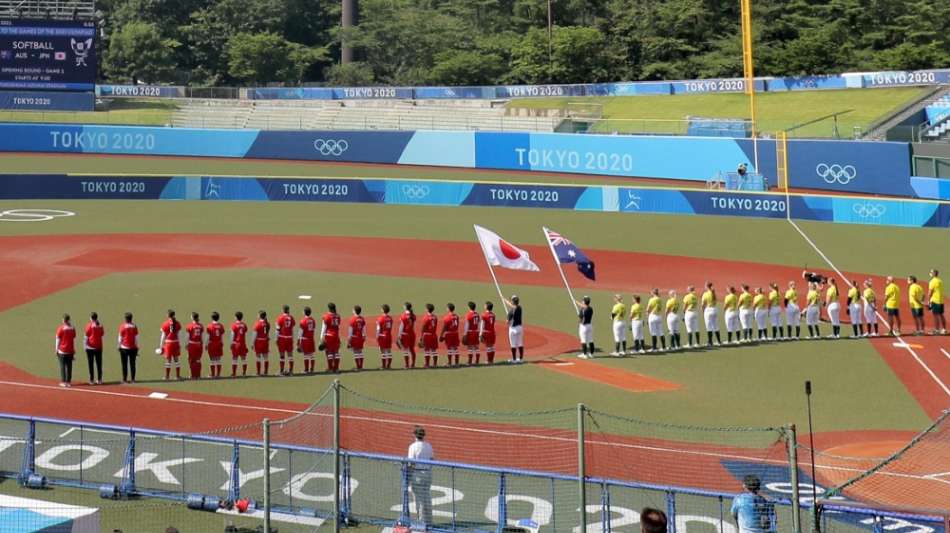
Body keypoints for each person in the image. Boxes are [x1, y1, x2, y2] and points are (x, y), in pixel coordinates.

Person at [406, 426, 433, 530]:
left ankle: (422, 523)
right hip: (428, 474)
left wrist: (408, 475)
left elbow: (411, 463)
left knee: (418, 500)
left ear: (415, 435)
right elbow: (432, 459)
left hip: (417, 475)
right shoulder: (429, 446)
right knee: (427, 497)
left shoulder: (412, 446)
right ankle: (429, 521)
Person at [156, 310, 182, 380]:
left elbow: (163, 336)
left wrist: (161, 346)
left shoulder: (165, 324)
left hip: (168, 344)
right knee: (176, 359)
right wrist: (180, 344)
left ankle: (167, 376)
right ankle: (178, 376)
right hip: (176, 343)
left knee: (168, 360)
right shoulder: (177, 323)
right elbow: (179, 335)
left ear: (168, 315)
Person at [55, 314, 76, 388]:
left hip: (62, 350)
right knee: (69, 366)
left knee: (62, 366)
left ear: (64, 320)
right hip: (70, 350)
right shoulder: (72, 328)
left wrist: (56, 349)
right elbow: (74, 339)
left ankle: (64, 382)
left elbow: (58, 339)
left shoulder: (61, 328)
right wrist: (73, 350)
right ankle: (69, 381)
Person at [117, 312, 139, 384]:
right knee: (133, 364)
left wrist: (119, 345)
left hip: (124, 348)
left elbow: (120, 337)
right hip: (133, 348)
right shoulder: (134, 326)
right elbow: (136, 337)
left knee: (124, 364)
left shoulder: (122, 326)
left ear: (125, 319)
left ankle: (125, 379)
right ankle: (133, 379)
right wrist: (137, 346)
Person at [84, 312, 104, 385]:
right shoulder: (100, 325)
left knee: (91, 364)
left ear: (91, 318)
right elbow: (102, 334)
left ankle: (91, 380)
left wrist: (85, 346)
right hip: (99, 347)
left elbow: (86, 336)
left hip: (90, 347)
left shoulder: (89, 325)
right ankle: (99, 379)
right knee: (99, 364)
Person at [276, 304, 296, 376]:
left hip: (282, 338)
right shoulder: (291, 317)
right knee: (290, 355)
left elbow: (277, 329)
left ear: (283, 310)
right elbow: (293, 329)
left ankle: (281, 371)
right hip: (289, 338)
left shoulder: (280, 318)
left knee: (282, 355)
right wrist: (293, 338)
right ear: (288, 310)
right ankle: (291, 371)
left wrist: (276, 338)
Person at [321, 303, 342, 373]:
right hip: (336, 335)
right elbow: (338, 326)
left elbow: (324, 328)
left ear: (329, 308)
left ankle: (330, 368)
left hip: (329, 336)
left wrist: (322, 337)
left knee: (329, 352)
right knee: (336, 352)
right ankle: (336, 368)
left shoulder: (326, 316)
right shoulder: (338, 316)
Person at [505, 295, 525, 363]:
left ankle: (514, 359)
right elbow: (512, 306)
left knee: (513, 344)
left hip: (513, 329)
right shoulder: (519, 307)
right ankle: (521, 359)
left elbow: (507, 322)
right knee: (520, 343)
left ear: (513, 302)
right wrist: (505, 300)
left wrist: (509, 319)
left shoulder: (511, 311)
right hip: (520, 328)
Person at [398, 302, 417, 368]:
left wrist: (399, 336)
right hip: (412, 334)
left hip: (405, 335)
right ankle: (413, 364)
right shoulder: (413, 315)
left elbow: (401, 327)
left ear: (405, 307)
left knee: (405, 350)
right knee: (412, 349)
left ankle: (406, 365)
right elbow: (414, 326)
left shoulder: (403, 316)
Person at [206, 312, 225, 378]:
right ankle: (218, 374)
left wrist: (206, 344)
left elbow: (208, 336)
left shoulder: (210, 326)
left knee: (212, 359)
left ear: (211, 318)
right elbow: (222, 336)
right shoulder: (221, 326)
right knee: (218, 359)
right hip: (219, 343)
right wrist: (222, 343)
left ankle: (213, 374)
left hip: (212, 344)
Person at [702, 282, 722, 347]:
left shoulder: (705, 294)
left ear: (707, 286)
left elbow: (703, 304)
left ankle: (710, 342)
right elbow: (715, 300)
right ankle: (719, 341)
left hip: (708, 310)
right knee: (716, 326)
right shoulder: (714, 293)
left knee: (709, 327)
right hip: (715, 309)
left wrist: (703, 311)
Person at [185, 312, 204, 379]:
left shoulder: (189, 326)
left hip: (192, 344)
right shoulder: (201, 326)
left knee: (191, 360)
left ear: (192, 317)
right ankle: (198, 375)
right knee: (198, 360)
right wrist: (201, 343)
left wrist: (186, 344)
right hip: (199, 344)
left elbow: (187, 337)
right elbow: (202, 337)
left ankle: (192, 375)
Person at [347, 305, 367, 371]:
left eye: (353, 309)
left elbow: (350, 330)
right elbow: (364, 328)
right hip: (361, 337)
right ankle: (361, 366)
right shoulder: (362, 319)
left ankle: (358, 367)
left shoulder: (352, 319)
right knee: (360, 351)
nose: (352, 310)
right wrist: (364, 336)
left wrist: (349, 340)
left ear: (355, 311)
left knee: (356, 352)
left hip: (354, 337)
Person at [298, 307, 317, 373]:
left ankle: (306, 370)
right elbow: (314, 329)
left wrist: (298, 342)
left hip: (305, 340)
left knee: (306, 355)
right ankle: (312, 369)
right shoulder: (313, 320)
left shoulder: (303, 321)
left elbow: (300, 332)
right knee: (312, 354)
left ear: (304, 312)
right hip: (311, 339)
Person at [230, 311, 249, 377]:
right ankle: (244, 373)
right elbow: (245, 333)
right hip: (243, 343)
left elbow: (232, 335)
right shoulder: (244, 325)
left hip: (236, 344)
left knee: (234, 358)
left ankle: (234, 373)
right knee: (243, 358)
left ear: (235, 317)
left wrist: (231, 343)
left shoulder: (234, 325)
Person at [928, 269, 946, 335]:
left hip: (935, 300)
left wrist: (929, 301)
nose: (930, 273)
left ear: (933, 274)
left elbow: (930, 292)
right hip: (941, 300)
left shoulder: (932, 281)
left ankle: (936, 330)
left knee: (935, 315)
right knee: (941, 315)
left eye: (931, 272)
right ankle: (944, 329)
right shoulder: (940, 280)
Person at [376, 304, 394, 369]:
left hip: (382, 336)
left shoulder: (380, 318)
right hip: (389, 335)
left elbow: (378, 329)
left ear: (383, 310)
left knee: (382, 351)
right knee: (389, 350)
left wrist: (377, 336)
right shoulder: (390, 318)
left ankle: (383, 366)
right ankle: (389, 365)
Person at [253, 310, 270, 375]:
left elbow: (255, 334)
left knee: (258, 357)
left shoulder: (257, 324)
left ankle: (258, 372)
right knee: (266, 357)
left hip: (259, 342)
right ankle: (266, 372)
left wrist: (252, 343)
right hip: (265, 341)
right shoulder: (267, 323)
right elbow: (267, 333)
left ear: (260, 316)